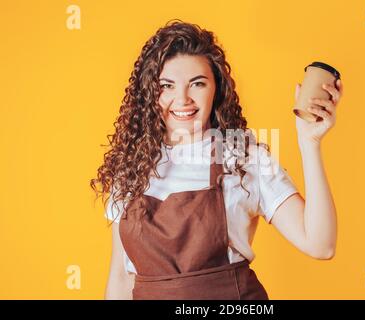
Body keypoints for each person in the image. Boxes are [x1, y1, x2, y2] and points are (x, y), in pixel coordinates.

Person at [90, 19, 343, 300]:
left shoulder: (243, 158)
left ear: (217, 89)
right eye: (167, 86)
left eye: (197, 84)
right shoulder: (132, 168)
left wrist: (309, 143)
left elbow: (321, 245)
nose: (182, 99)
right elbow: (122, 277)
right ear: (151, 94)